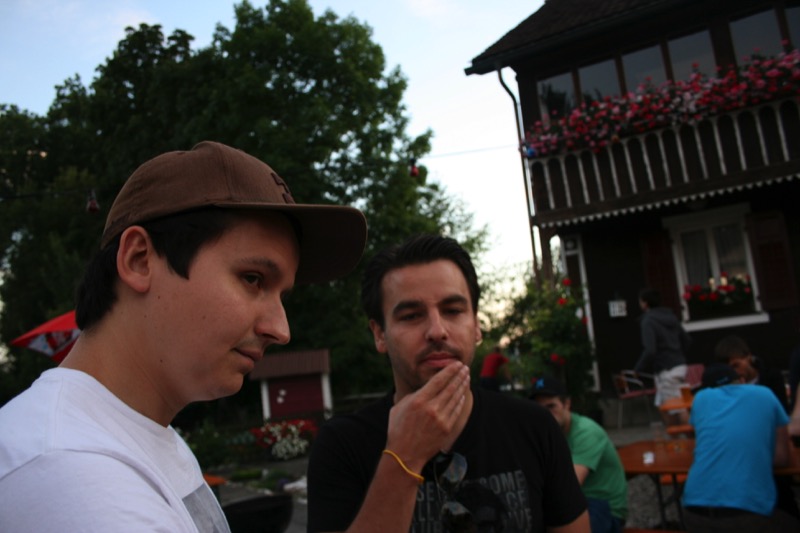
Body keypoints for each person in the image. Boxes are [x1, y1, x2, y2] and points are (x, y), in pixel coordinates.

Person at [0, 141, 367, 532]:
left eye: (282, 295)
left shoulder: (136, 433)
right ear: (139, 260)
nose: (281, 330)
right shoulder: (73, 473)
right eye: (253, 279)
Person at [307, 234, 589, 532]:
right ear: (380, 335)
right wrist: (404, 456)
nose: (437, 331)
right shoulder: (342, 446)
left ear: (476, 325)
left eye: (453, 310)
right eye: (411, 316)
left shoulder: (535, 427)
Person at [681, 363, 798, 532]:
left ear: (706, 388)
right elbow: (782, 458)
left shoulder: (701, 399)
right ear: (742, 381)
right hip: (746, 513)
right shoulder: (764, 394)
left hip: (693, 510)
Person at [530, 376, 628, 533]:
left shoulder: (586, 432)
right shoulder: (545, 435)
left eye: (551, 406)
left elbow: (569, 486)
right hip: (575, 502)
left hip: (603, 505)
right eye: (539, 409)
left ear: (567, 404)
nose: (545, 414)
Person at [634, 288, 691, 425]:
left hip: (666, 369)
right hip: (679, 365)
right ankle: (676, 435)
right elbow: (687, 341)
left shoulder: (648, 321)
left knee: (677, 406)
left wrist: (638, 369)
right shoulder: (671, 317)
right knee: (663, 405)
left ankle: (688, 435)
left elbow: (650, 350)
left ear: (645, 303)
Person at [714, 335, 789, 413]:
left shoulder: (772, 377)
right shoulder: (725, 387)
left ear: (748, 357)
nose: (734, 372)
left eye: (736, 365)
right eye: (729, 369)